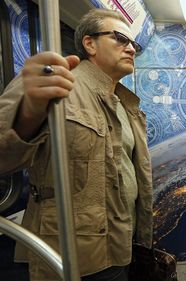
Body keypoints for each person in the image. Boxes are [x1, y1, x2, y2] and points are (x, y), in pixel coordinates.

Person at [0, 8, 152, 281]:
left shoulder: (126, 104)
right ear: (89, 43)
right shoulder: (55, 83)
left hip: (121, 244)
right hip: (74, 254)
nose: (131, 48)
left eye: (134, 44)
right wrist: (29, 115)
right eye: (120, 38)